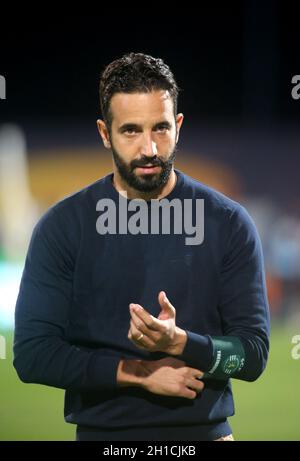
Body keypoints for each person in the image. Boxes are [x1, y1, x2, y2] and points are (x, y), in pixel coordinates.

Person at [13, 52, 270, 441]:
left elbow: (252, 355)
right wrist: (141, 374)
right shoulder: (63, 227)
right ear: (104, 133)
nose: (149, 148)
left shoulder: (228, 223)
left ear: (179, 126)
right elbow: (33, 355)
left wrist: (181, 342)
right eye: (131, 130)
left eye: (161, 128)